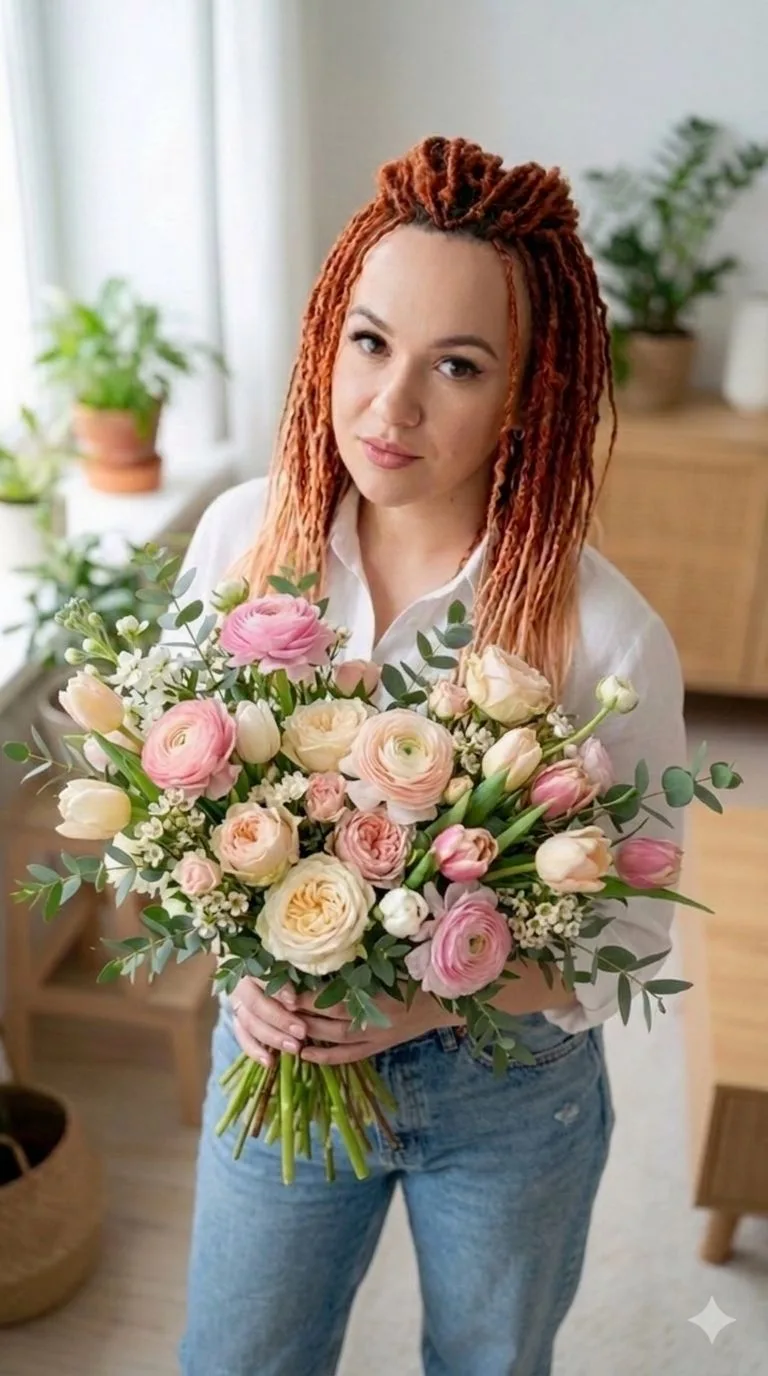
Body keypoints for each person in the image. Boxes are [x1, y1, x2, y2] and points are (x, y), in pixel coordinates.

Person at [178, 136, 685, 1376]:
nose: (390, 405)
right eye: (370, 342)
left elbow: (632, 931)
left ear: (528, 392)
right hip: (284, 1051)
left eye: (456, 365)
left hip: (507, 1098)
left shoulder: (607, 637)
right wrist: (240, 965)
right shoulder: (245, 539)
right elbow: (181, 796)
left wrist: (432, 993)